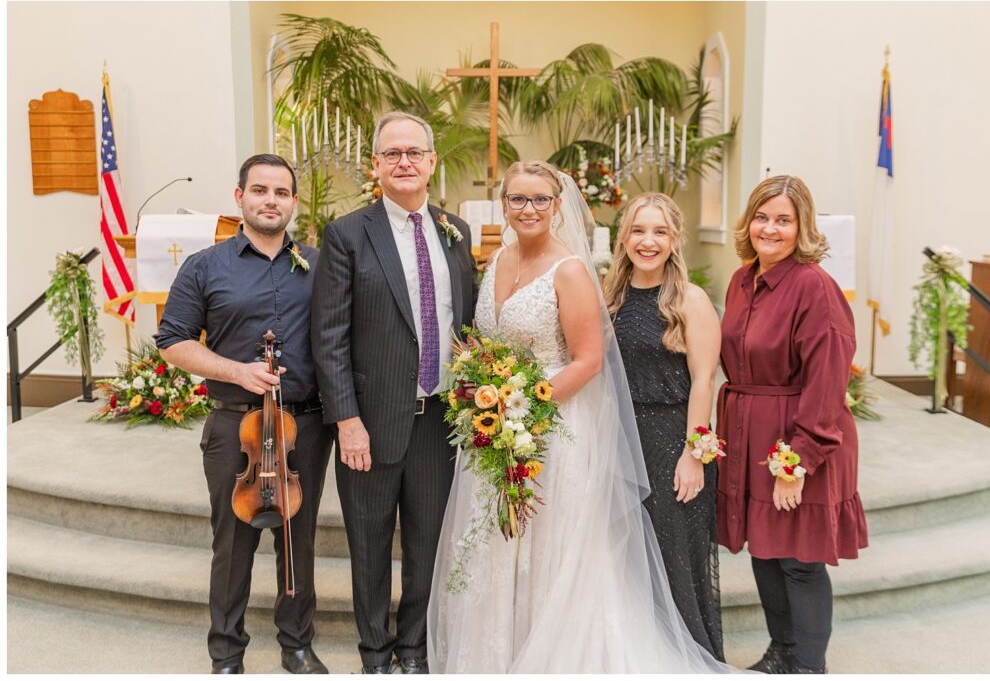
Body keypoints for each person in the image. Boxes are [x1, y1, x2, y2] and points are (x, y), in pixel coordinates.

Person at [426, 161, 736, 673]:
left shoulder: (574, 271)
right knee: (497, 549)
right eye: (518, 199)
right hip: (501, 430)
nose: (528, 209)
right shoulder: (510, 262)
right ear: (502, 204)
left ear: (557, 205)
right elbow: (487, 344)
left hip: (551, 427)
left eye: (540, 199)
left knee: (568, 553)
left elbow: (593, 362)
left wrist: (522, 411)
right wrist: (486, 399)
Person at [311, 112, 476, 674]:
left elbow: (466, 321)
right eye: (392, 153)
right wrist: (346, 420)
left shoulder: (456, 231)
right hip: (371, 421)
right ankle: (375, 654)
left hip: (439, 420)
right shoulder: (347, 234)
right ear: (376, 165)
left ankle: (415, 648)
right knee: (370, 546)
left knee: (428, 543)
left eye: (414, 152)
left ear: (432, 163)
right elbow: (328, 336)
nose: (403, 162)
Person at [157, 153, 333, 674]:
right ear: (240, 198)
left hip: (304, 424)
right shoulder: (205, 266)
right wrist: (238, 371)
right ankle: (227, 652)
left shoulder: (319, 265)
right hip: (237, 423)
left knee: (297, 540)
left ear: (294, 203)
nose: (270, 201)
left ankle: (297, 644)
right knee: (232, 543)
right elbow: (172, 341)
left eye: (281, 193)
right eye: (260, 191)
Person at [716, 175, 868, 674]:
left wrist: (797, 460)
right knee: (765, 550)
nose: (770, 229)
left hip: (800, 435)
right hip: (751, 433)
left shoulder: (813, 287)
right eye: (762, 217)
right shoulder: (743, 279)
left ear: (802, 225)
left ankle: (808, 665)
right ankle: (782, 650)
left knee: (799, 560)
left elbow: (827, 383)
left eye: (783, 219)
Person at [607, 193, 725, 661]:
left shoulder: (689, 300)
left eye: (659, 231)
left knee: (676, 559)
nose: (648, 241)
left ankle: (688, 657)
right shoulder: (610, 294)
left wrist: (694, 454)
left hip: (673, 439)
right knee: (629, 558)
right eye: (638, 230)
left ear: (675, 239)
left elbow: (704, 380)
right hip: (620, 438)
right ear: (624, 237)